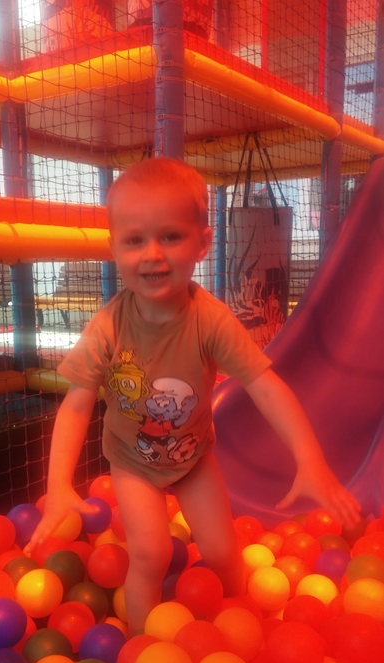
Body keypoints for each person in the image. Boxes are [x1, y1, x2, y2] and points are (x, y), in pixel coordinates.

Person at [25, 157, 361, 634]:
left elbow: (266, 387)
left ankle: (242, 625)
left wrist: (310, 459)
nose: (152, 254)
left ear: (202, 243)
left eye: (170, 236)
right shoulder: (109, 327)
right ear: (114, 249)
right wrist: (59, 484)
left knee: (223, 552)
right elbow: (77, 404)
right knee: (151, 553)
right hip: (133, 461)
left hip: (194, 456)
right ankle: (143, 647)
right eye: (134, 240)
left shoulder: (211, 321)